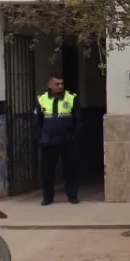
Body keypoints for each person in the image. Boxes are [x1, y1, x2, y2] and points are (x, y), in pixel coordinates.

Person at [34, 74, 80, 206]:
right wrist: (39, 138)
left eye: (61, 84)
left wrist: (75, 137)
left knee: (70, 170)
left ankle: (72, 196)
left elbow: (78, 119)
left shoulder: (71, 97)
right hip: (48, 141)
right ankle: (47, 198)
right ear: (49, 85)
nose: (60, 86)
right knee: (47, 171)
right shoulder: (41, 99)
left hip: (67, 140)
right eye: (56, 84)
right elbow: (36, 121)